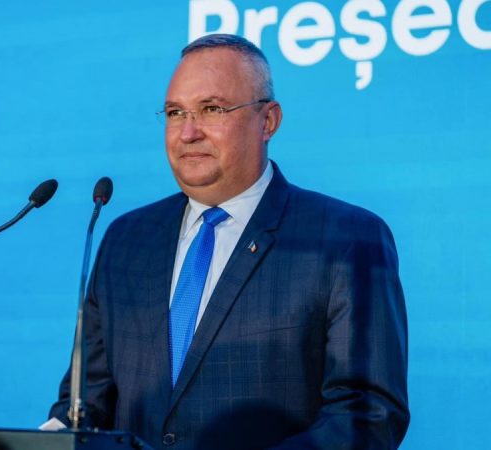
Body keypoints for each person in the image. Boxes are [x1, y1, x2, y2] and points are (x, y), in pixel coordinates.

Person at [47, 34, 409, 450]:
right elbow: (84, 404)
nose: (188, 133)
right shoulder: (126, 239)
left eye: (212, 109)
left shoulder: (345, 239)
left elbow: (367, 417)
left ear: (267, 121)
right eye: (175, 113)